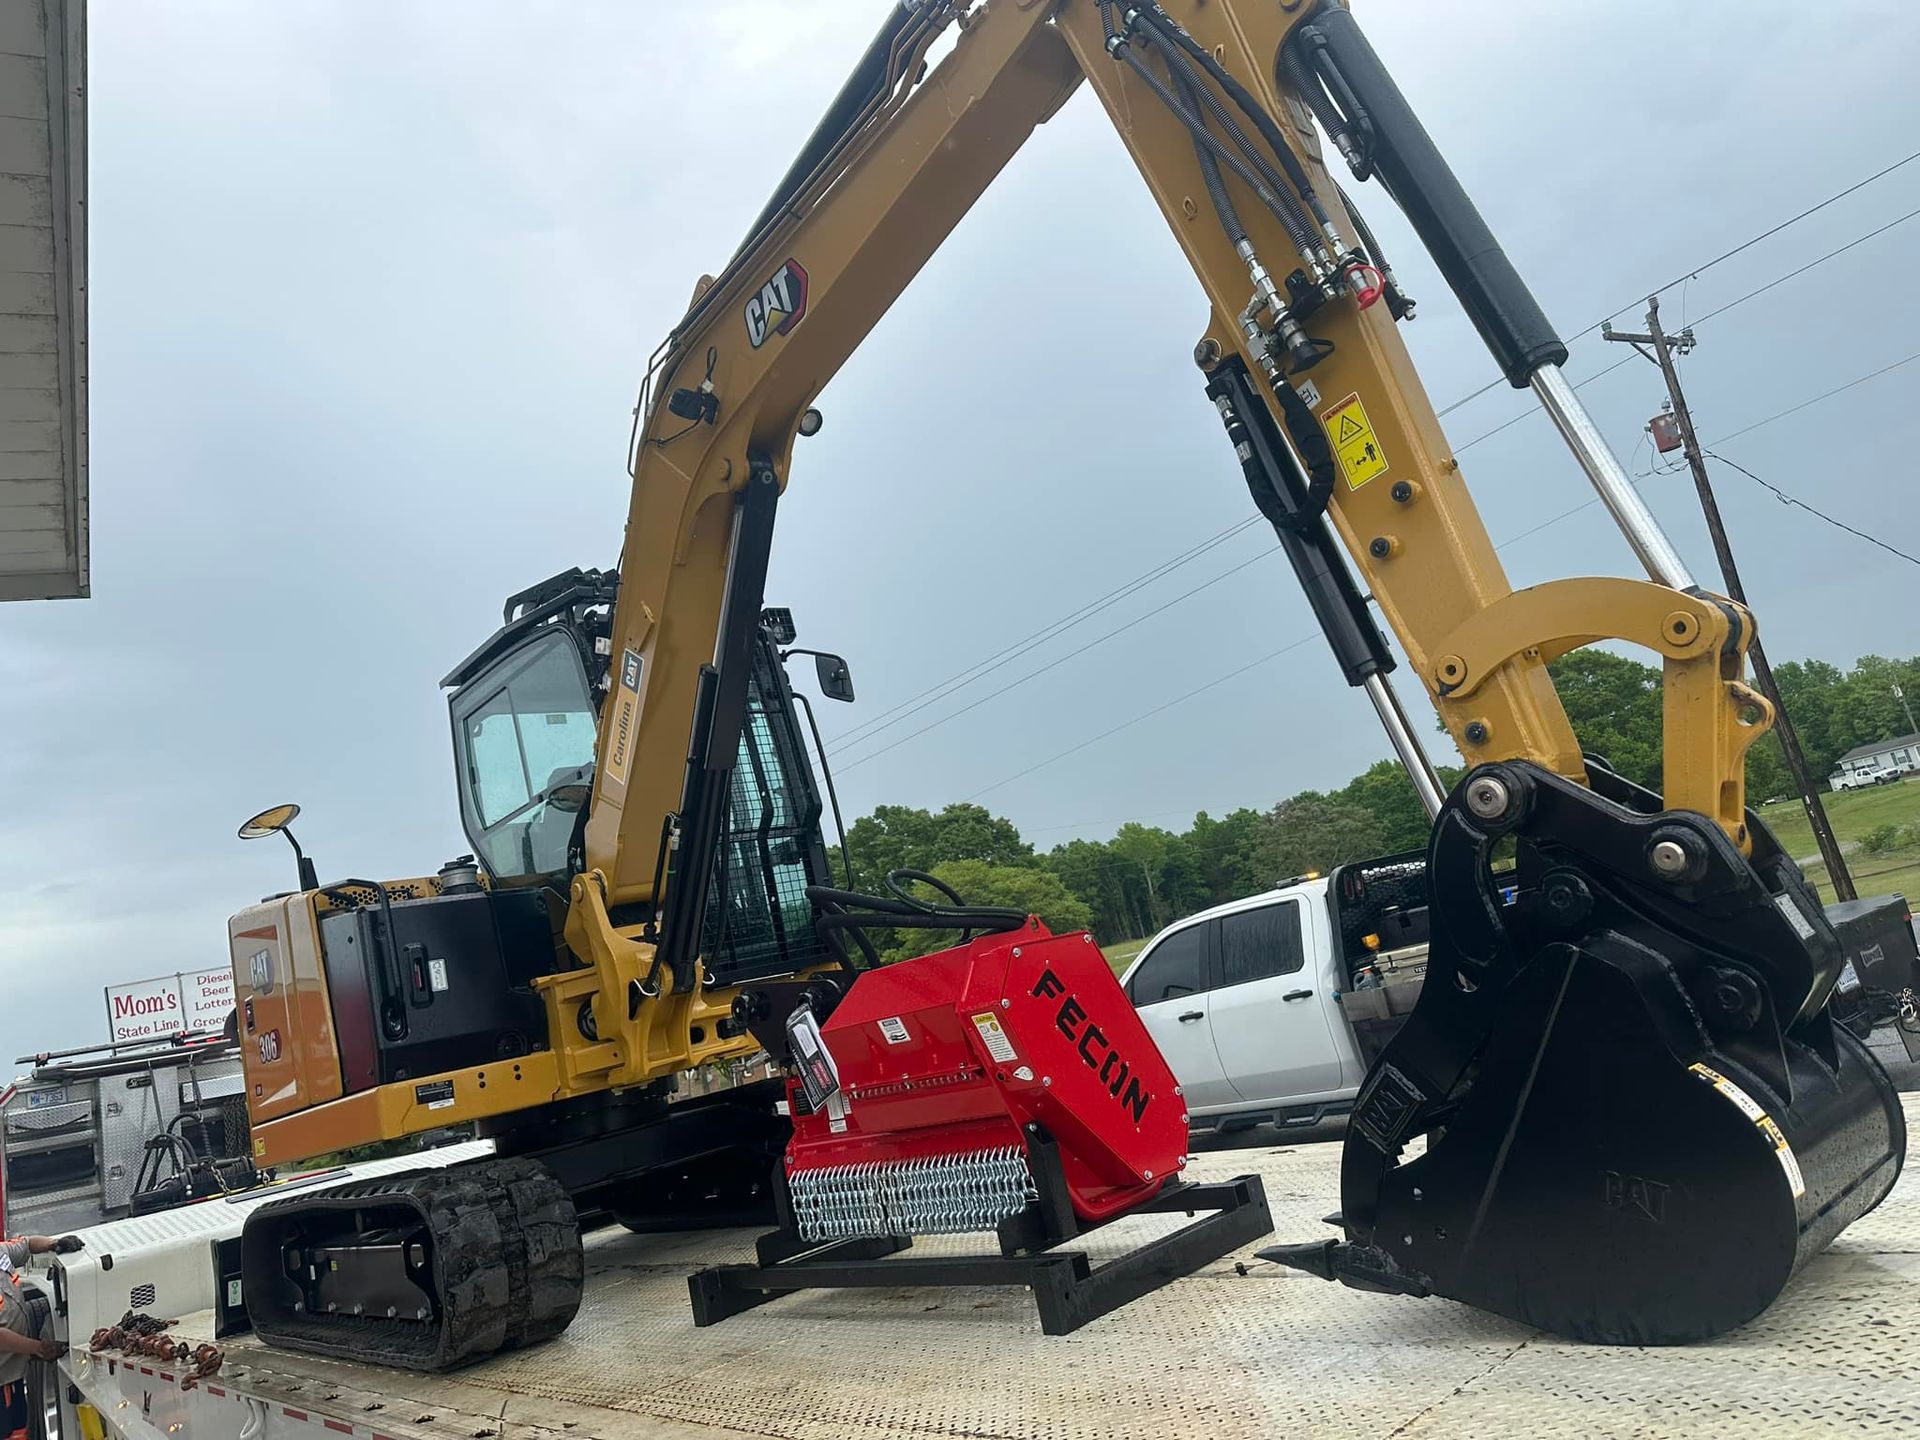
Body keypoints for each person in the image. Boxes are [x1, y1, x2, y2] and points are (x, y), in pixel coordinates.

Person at [0, 1236, 82, 1440]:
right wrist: (39, 1348)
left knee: (19, 1430)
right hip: (2, 1382)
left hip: (13, 1376)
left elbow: (27, 1244)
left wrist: (53, 1244)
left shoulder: (2, 1252)